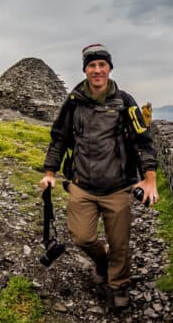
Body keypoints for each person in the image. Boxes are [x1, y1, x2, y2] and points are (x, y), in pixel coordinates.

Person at [40, 43, 158, 308]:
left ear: (109, 68)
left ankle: (118, 284)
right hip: (81, 184)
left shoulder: (124, 102)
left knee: (119, 243)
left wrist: (149, 178)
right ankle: (102, 261)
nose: (97, 70)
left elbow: (142, 141)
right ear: (85, 70)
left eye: (102, 65)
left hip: (118, 186)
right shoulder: (73, 102)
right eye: (92, 65)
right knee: (82, 237)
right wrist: (50, 172)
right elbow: (59, 139)